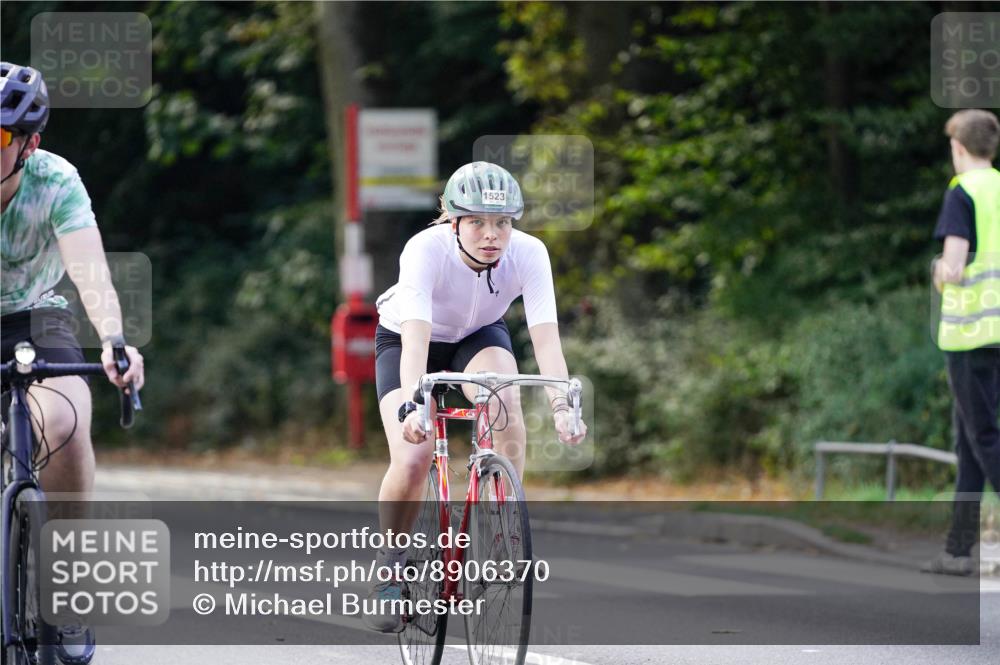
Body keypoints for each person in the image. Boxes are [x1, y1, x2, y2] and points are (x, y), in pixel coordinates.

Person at [363, 161, 587, 631]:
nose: (493, 235)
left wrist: (563, 407)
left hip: (479, 335)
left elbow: (546, 339)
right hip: (408, 340)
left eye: (503, 222)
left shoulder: (529, 253)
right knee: (413, 456)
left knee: (503, 397)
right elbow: (416, 338)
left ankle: (500, 527)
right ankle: (389, 565)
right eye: (479, 222)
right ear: (453, 219)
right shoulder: (425, 250)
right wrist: (413, 404)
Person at [1, 62, 145, 662]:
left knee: (64, 420)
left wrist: (114, 338)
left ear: (29, 145)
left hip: (36, 315)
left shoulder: (55, 181)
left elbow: (89, 270)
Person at [925, 108, 1000, 576]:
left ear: (958, 148)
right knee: (969, 442)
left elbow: (953, 268)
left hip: (970, 335)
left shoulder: (963, 192)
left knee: (983, 437)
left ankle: (958, 549)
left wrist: (938, 272)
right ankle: (957, 550)